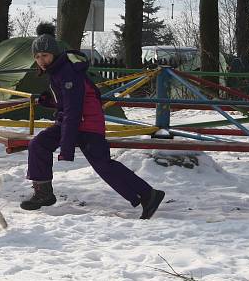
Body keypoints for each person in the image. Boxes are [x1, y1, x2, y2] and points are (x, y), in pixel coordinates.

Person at [20, 23, 166, 219]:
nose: (41, 60)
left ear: (54, 54)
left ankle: (149, 195)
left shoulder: (67, 72)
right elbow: (69, 103)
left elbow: (74, 110)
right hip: (72, 123)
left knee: (102, 164)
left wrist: (66, 148)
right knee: (38, 144)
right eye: (37, 57)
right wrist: (52, 101)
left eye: (44, 55)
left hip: (87, 124)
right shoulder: (58, 71)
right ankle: (43, 193)